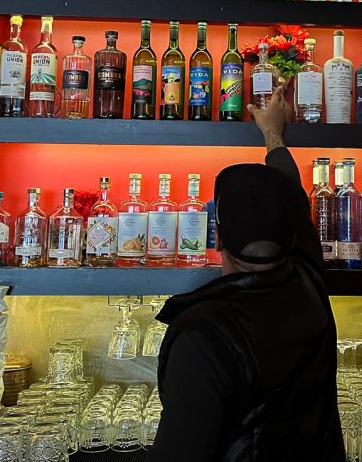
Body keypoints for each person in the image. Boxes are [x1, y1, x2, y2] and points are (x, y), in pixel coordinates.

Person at [148, 86, 345, 462]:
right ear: (292, 236)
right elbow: (296, 203)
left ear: (217, 238)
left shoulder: (203, 333)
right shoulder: (308, 284)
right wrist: (274, 135)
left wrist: (272, 132)